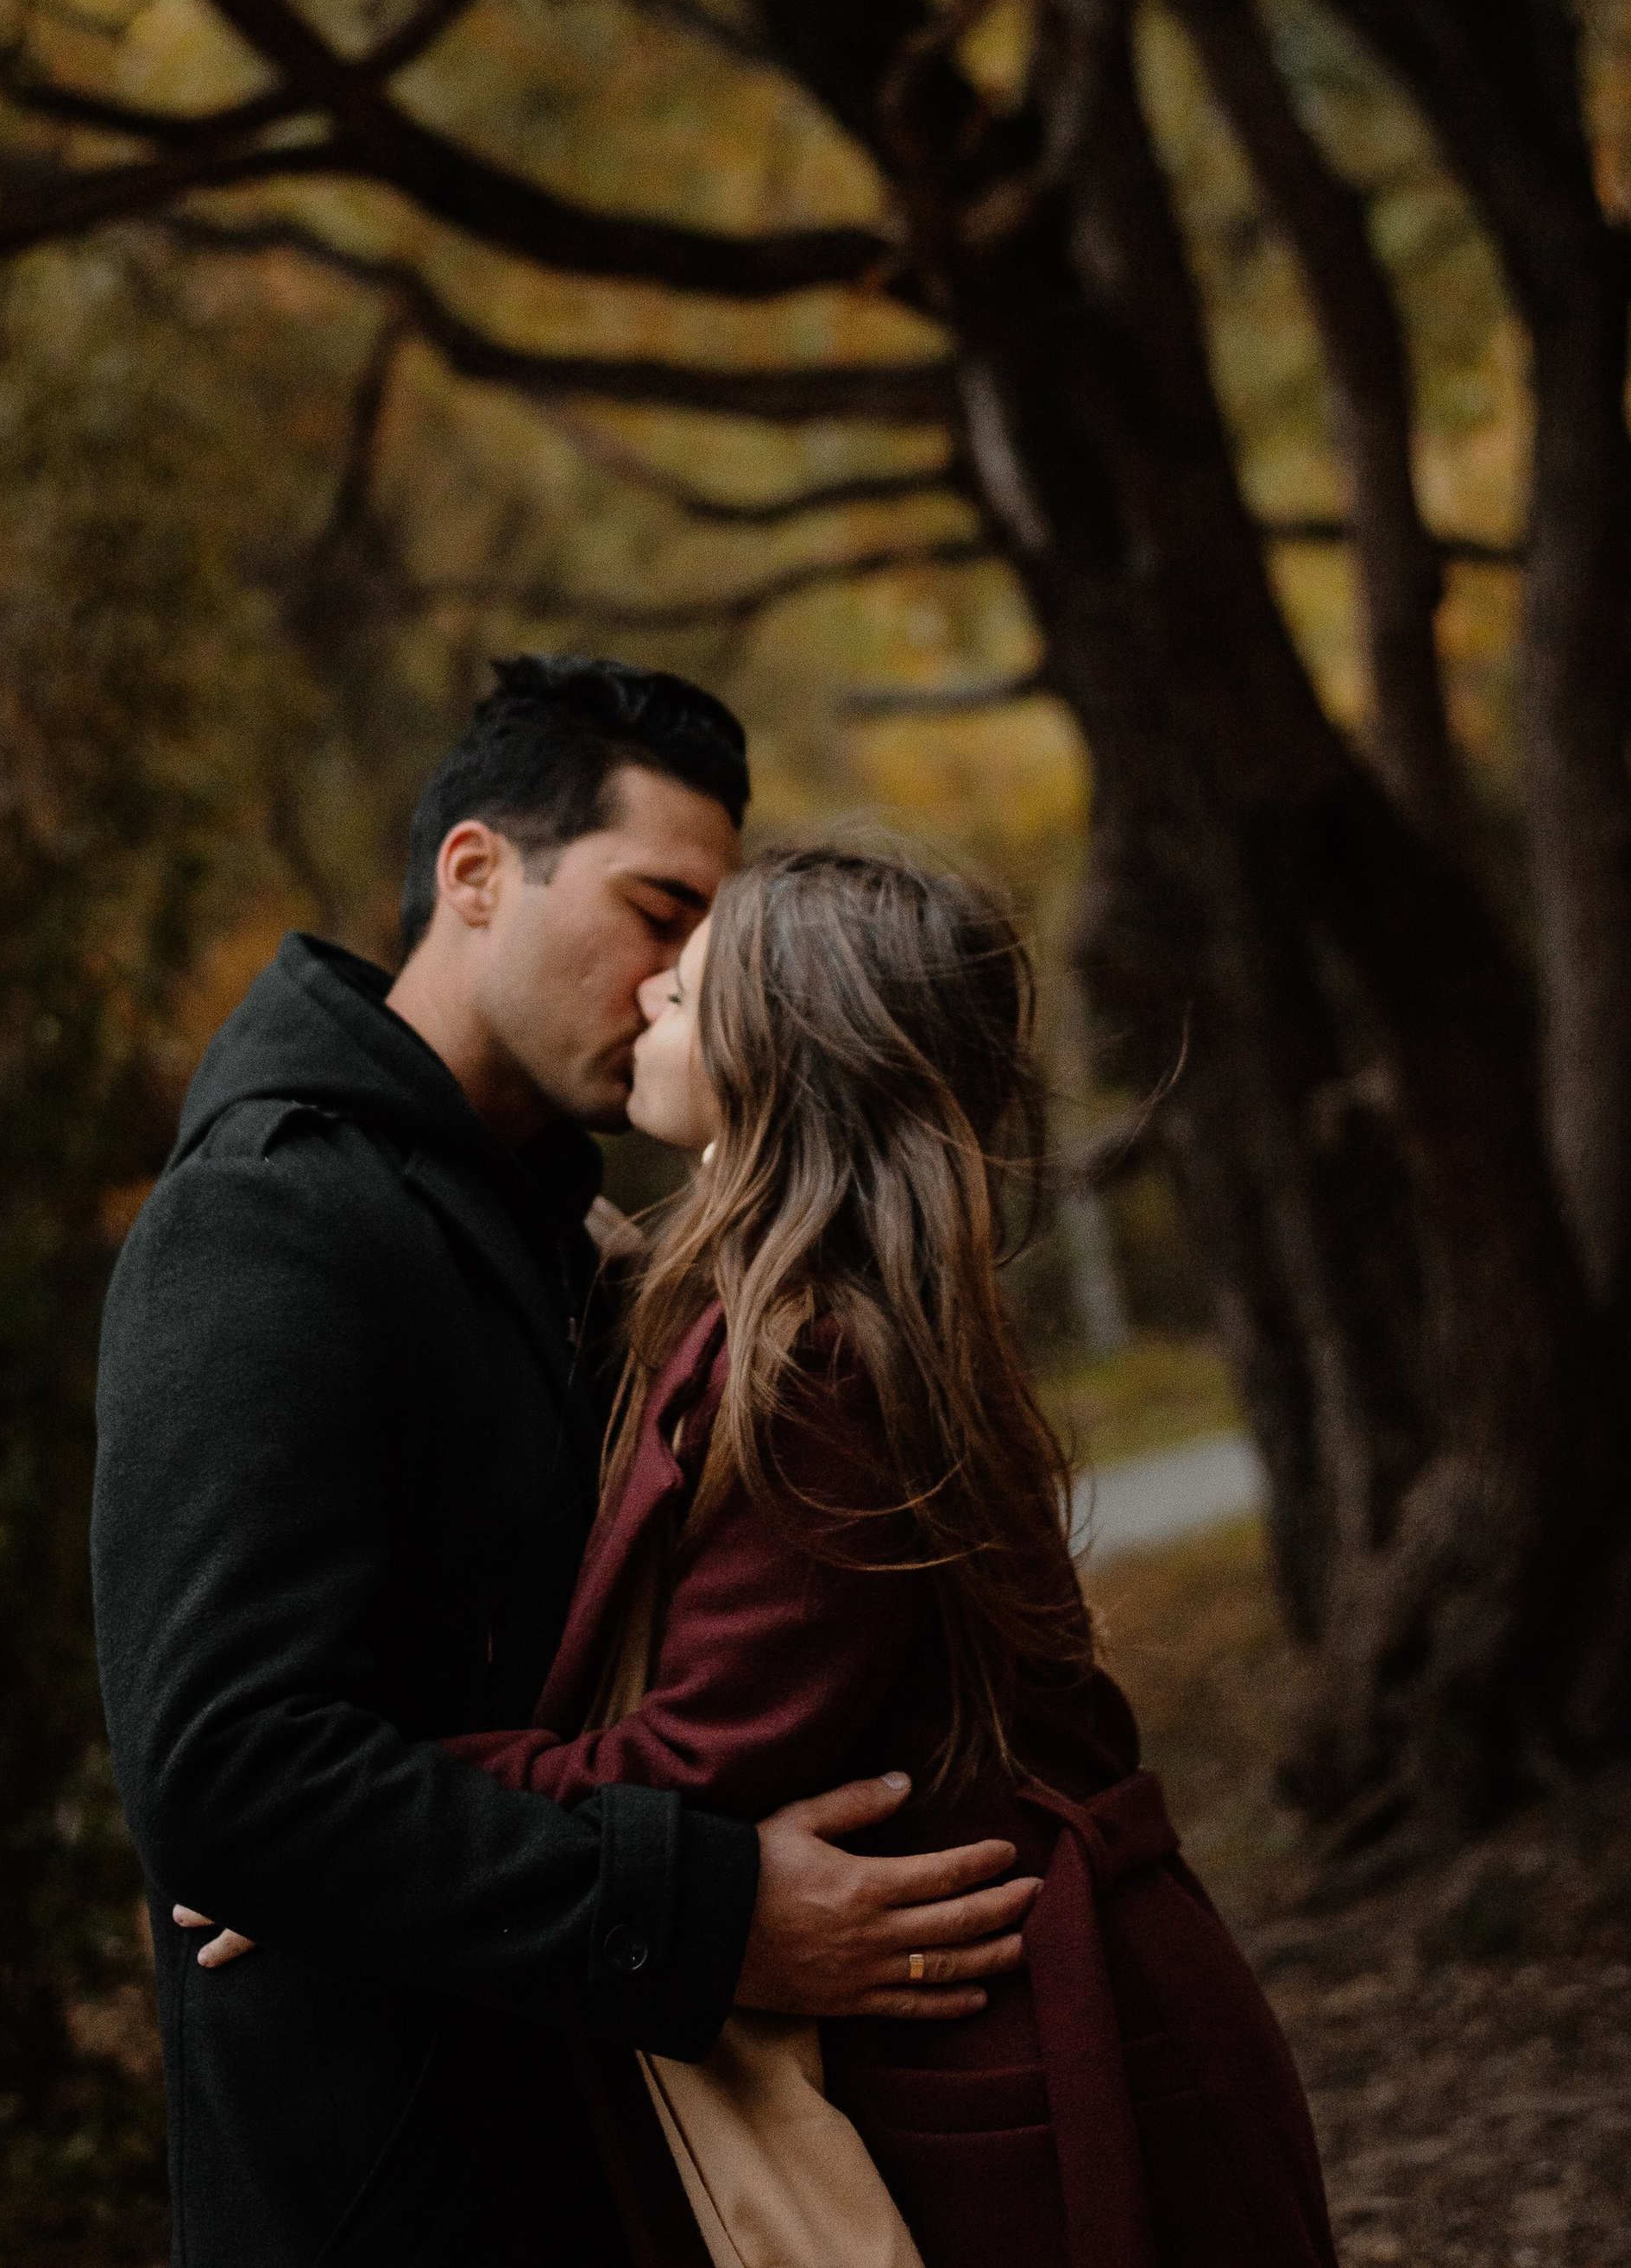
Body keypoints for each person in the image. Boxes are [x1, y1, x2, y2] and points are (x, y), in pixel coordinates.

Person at [242, 841, 1343, 2268]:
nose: (645, 1005)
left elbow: (699, 1758)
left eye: (687, 997)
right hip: (978, 2032)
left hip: (1039, 2049)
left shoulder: (825, 1365)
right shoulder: (761, 1312)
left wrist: (339, 1825)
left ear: (778, 1061)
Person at [91, 663, 1040, 2268]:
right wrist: (720, 1915)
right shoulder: (268, 1221)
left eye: (716, 938)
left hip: (605, 2153)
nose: (691, 978)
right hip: (388, 2197)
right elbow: (228, 1777)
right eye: (658, 912)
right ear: (476, 876)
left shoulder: (582, 1239)